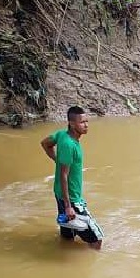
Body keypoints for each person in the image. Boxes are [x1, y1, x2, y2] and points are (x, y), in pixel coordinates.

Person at [40, 106, 104, 249]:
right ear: (72, 123)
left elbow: (45, 143)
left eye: (87, 121)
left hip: (59, 193)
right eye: (82, 122)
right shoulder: (70, 145)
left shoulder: (61, 135)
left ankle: (64, 259)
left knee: (68, 236)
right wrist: (69, 206)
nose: (86, 125)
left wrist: (57, 161)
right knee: (97, 239)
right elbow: (64, 175)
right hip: (72, 199)